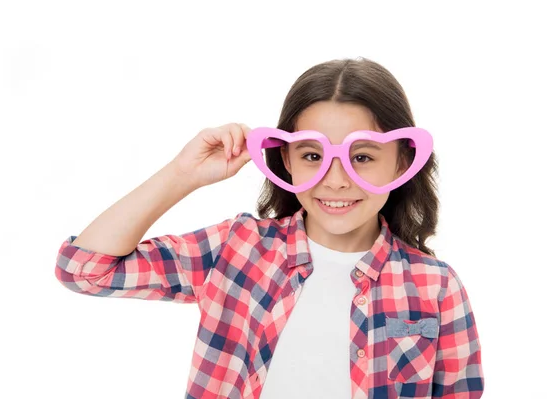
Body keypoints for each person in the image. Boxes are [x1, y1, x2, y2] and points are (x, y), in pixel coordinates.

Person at [54, 57, 484, 399]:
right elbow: (84, 269)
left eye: (363, 157)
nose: (336, 180)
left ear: (403, 162)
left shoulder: (435, 287)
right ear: (286, 161)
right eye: (313, 156)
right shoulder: (237, 249)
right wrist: (183, 173)